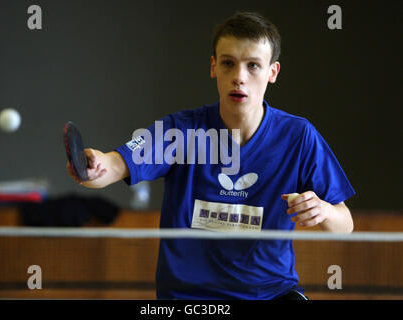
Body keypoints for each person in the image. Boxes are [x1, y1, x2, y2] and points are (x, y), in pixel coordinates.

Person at [67, 11, 355, 300]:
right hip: (189, 298)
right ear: (214, 67)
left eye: (253, 65)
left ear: (272, 72)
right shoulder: (179, 131)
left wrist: (324, 211)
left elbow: (345, 226)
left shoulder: (299, 136)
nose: (239, 77)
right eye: (229, 63)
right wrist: (92, 167)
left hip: (270, 295)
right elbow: (112, 167)